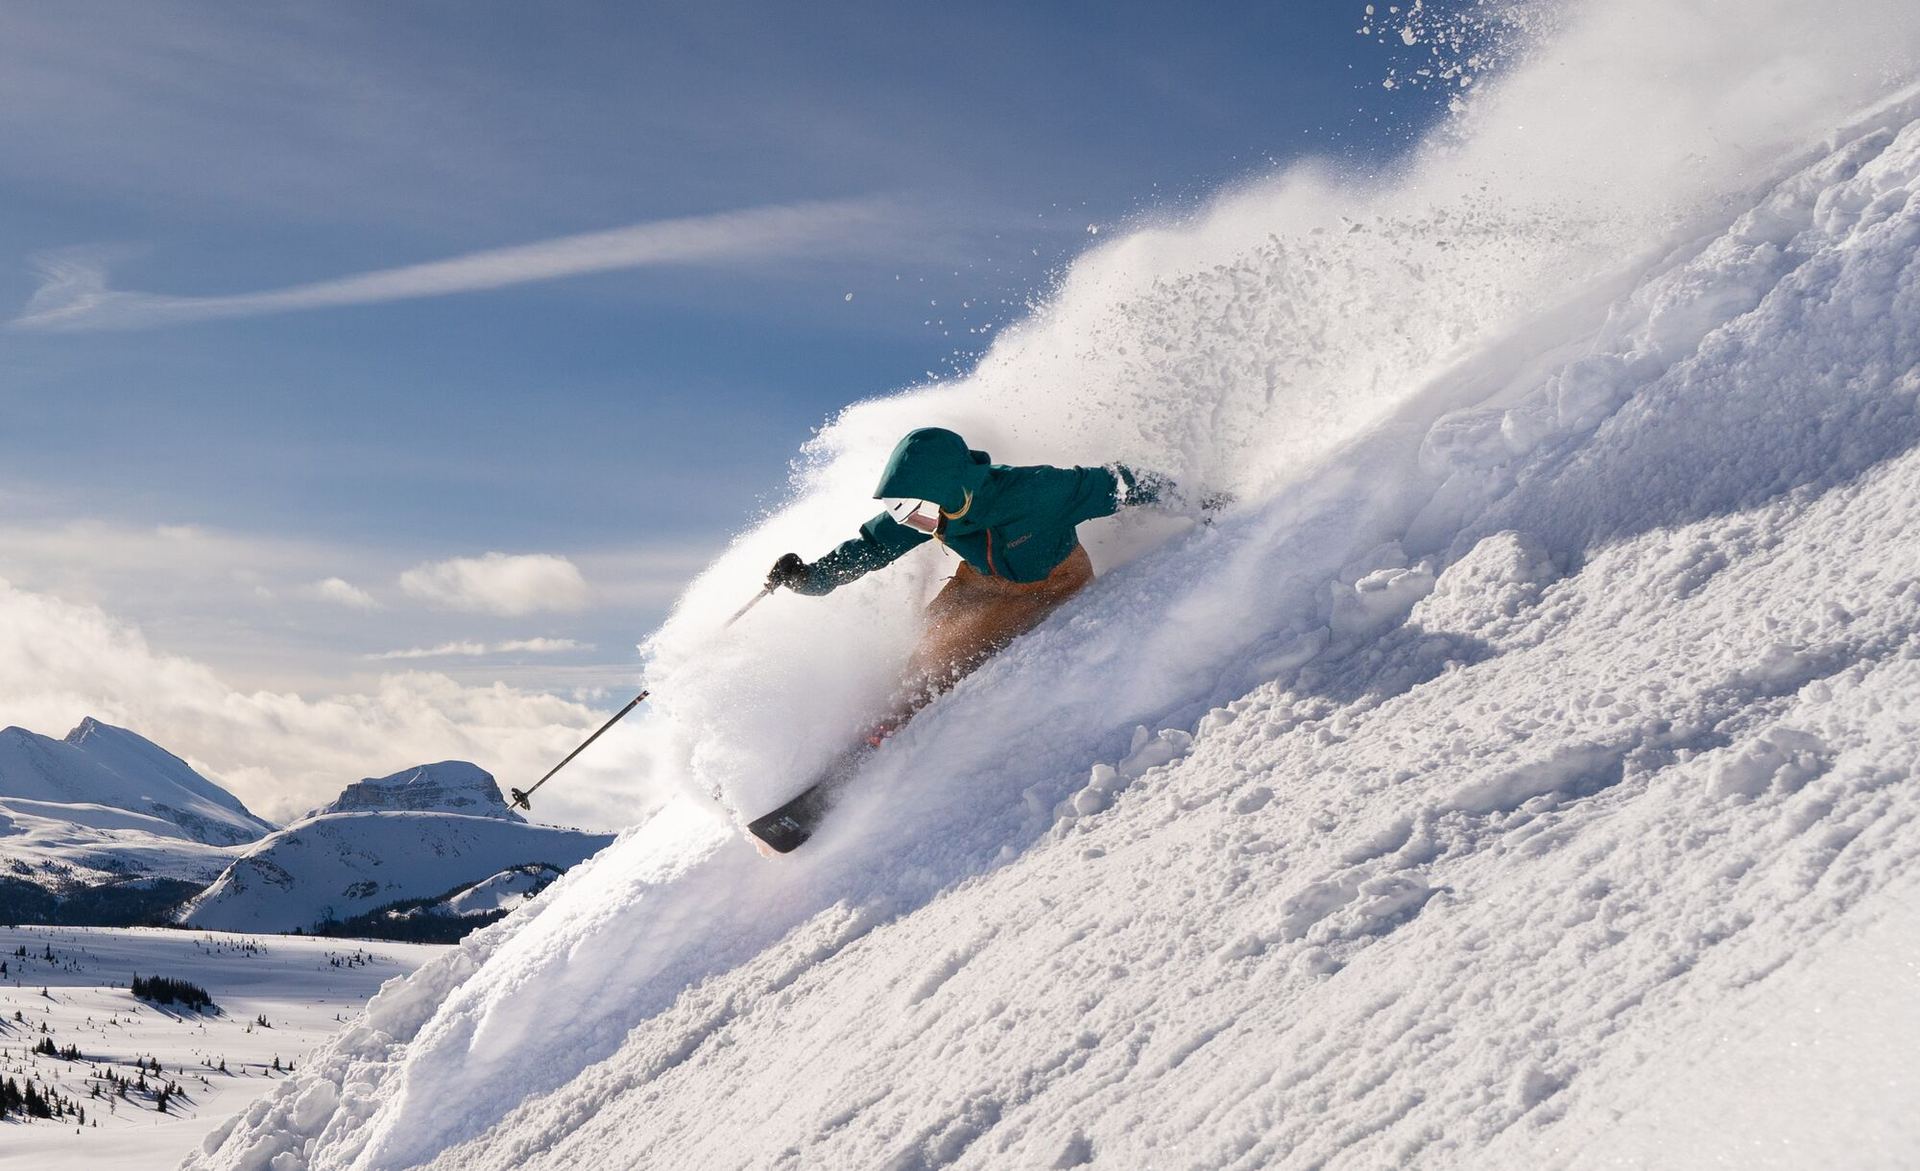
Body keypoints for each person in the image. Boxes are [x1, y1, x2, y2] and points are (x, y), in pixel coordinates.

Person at [765, 426, 1186, 737]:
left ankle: (915, 716)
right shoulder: (931, 510)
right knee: (929, 634)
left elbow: (1119, 483)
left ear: (949, 490)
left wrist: (1192, 499)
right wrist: (809, 578)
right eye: (900, 513)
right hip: (980, 580)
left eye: (914, 511)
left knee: (955, 651)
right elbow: (872, 547)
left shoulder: (1037, 491)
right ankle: (889, 710)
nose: (912, 523)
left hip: (1050, 583)